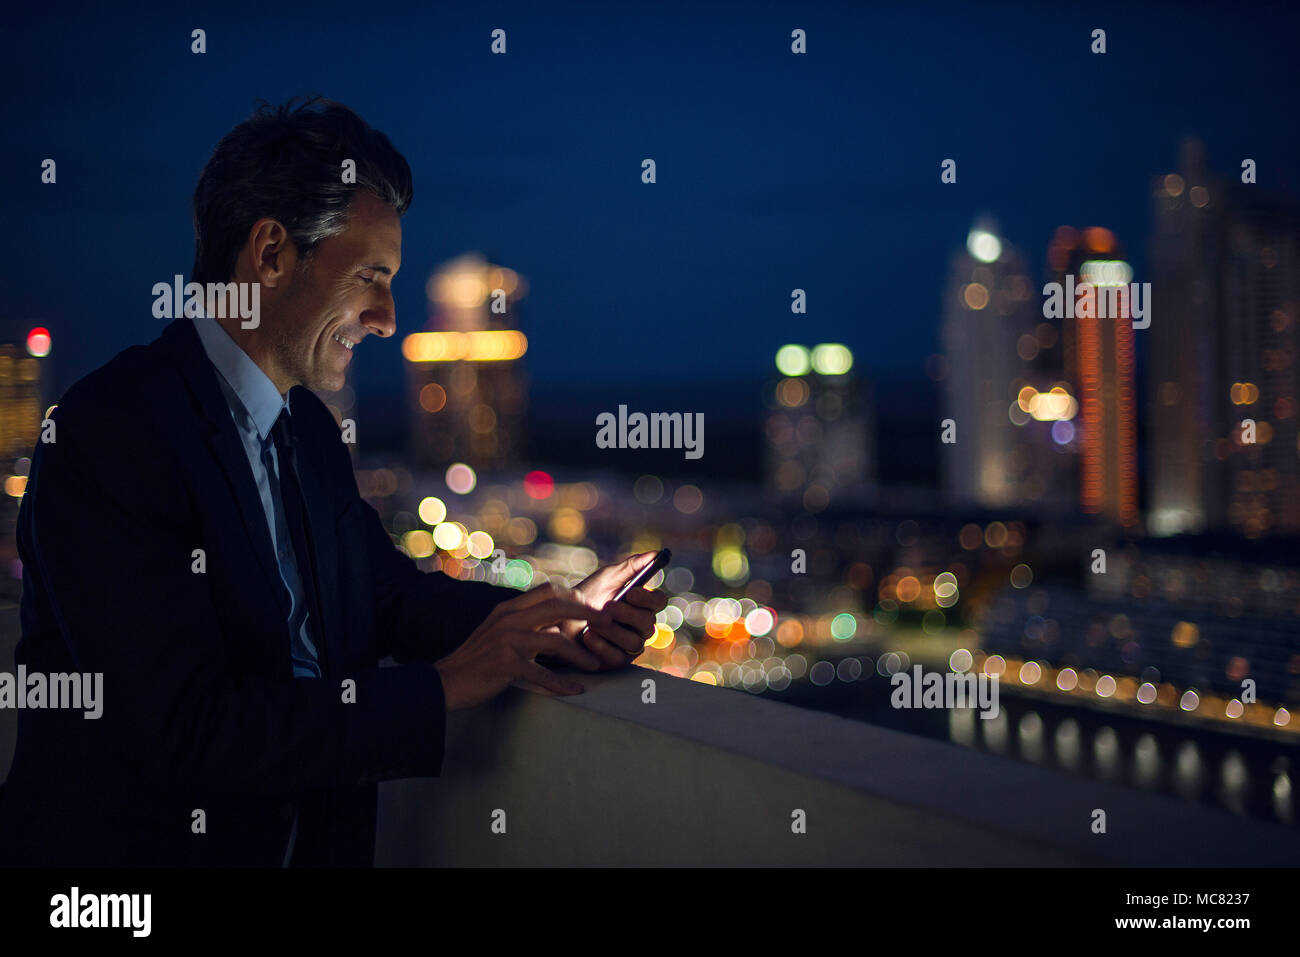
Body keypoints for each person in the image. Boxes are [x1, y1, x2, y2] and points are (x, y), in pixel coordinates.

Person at [0, 96, 666, 867]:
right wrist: (443, 687)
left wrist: (559, 616)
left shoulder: (308, 431)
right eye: (370, 277)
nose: (386, 318)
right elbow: (182, 727)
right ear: (272, 255)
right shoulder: (111, 429)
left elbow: (386, 597)